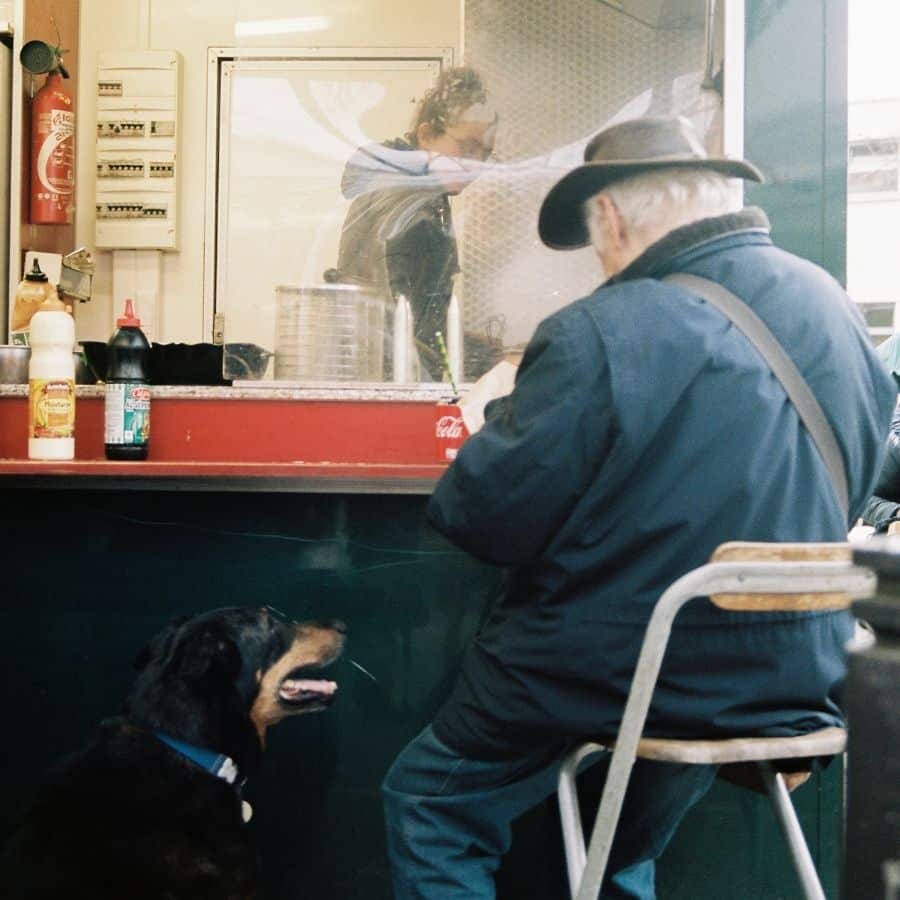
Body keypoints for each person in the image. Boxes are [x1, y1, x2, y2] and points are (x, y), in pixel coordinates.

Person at [381, 116, 895, 900]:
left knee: (430, 801)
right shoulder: (832, 306)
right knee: (617, 830)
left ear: (613, 218)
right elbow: (855, 483)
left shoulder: (602, 330)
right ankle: (622, 868)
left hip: (623, 679)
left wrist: (503, 423)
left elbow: (479, 516)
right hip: (790, 681)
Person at [334, 66, 497, 380]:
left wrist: (473, 349)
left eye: (486, 154)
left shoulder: (422, 194)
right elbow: (390, 328)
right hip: (386, 393)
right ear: (425, 135)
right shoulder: (402, 199)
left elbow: (419, 319)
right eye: (466, 147)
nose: (475, 165)